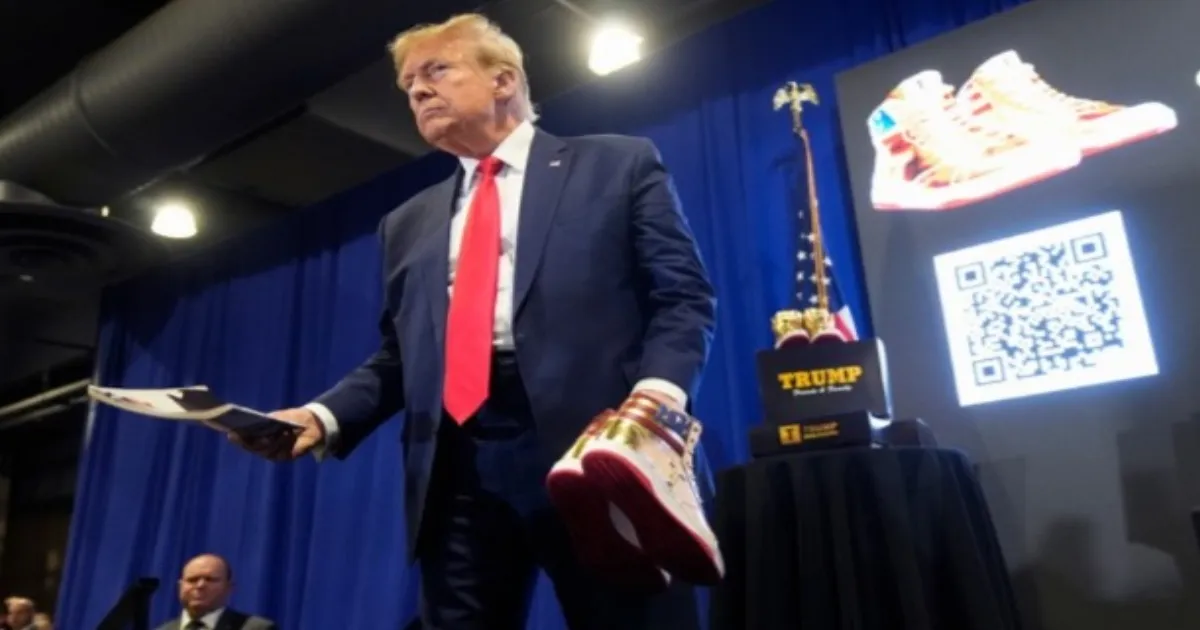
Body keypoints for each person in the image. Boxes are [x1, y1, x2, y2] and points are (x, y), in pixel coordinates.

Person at [237, 11, 715, 629]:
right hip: (456, 466)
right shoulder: (405, 223)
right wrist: (320, 416)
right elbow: (400, 356)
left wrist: (652, 408)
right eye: (409, 84)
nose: (417, 91)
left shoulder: (617, 164)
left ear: (503, 79)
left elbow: (682, 297)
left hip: (594, 450)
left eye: (436, 70)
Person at [154, 554, 275, 630]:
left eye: (210, 579)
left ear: (229, 587)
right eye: (192, 580)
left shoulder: (257, 628)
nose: (200, 585)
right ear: (180, 587)